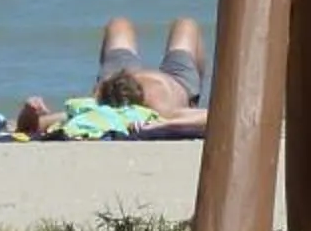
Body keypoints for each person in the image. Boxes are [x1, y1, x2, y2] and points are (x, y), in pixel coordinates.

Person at [14, 16, 208, 140]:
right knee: (120, 23)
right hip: (132, 76)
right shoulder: (99, 105)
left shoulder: (162, 110)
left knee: (186, 23)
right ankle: (189, 99)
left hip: (174, 82)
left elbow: (210, 117)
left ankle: (190, 102)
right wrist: (29, 110)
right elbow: (30, 126)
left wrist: (166, 123)